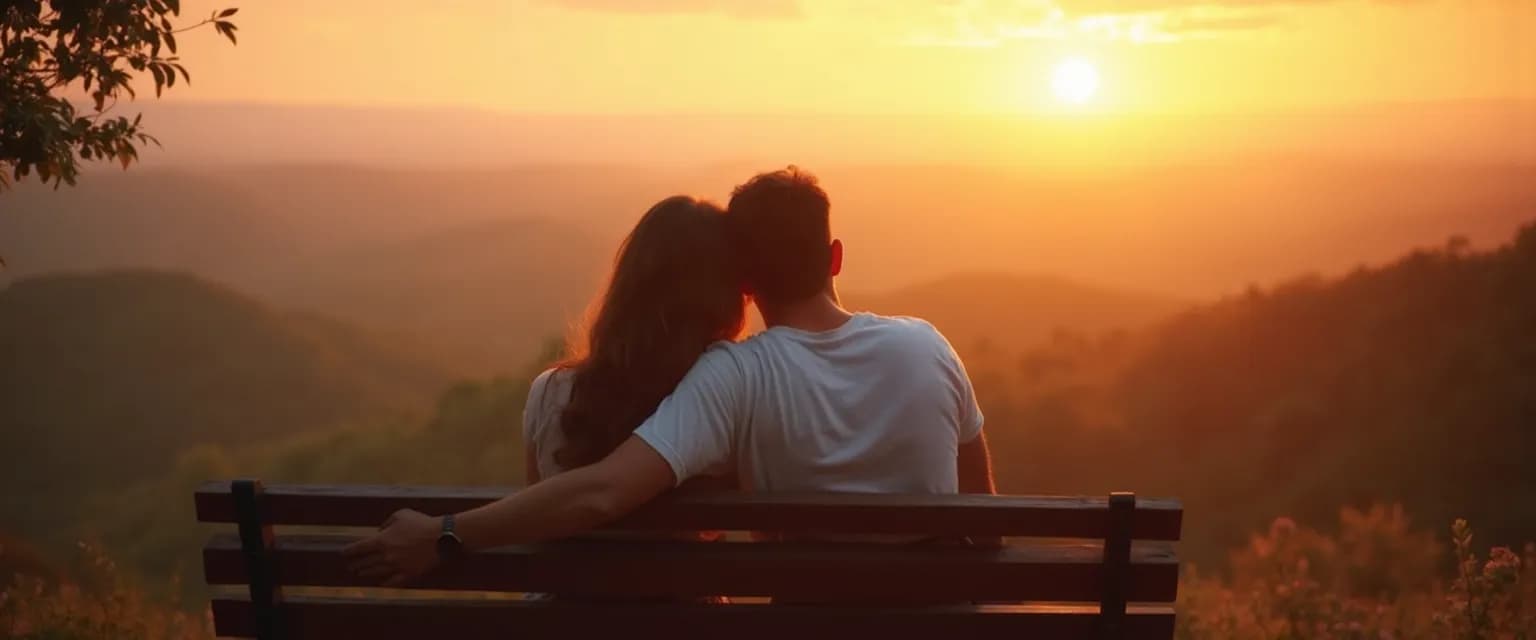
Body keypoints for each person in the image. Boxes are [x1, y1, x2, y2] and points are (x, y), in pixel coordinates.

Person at [345, 167, 995, 587]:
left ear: (744, 281)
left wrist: (446, 533)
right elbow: (984, 515)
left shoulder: (735, 374)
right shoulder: (930, 346)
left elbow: (602, 492)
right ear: (835, 257)